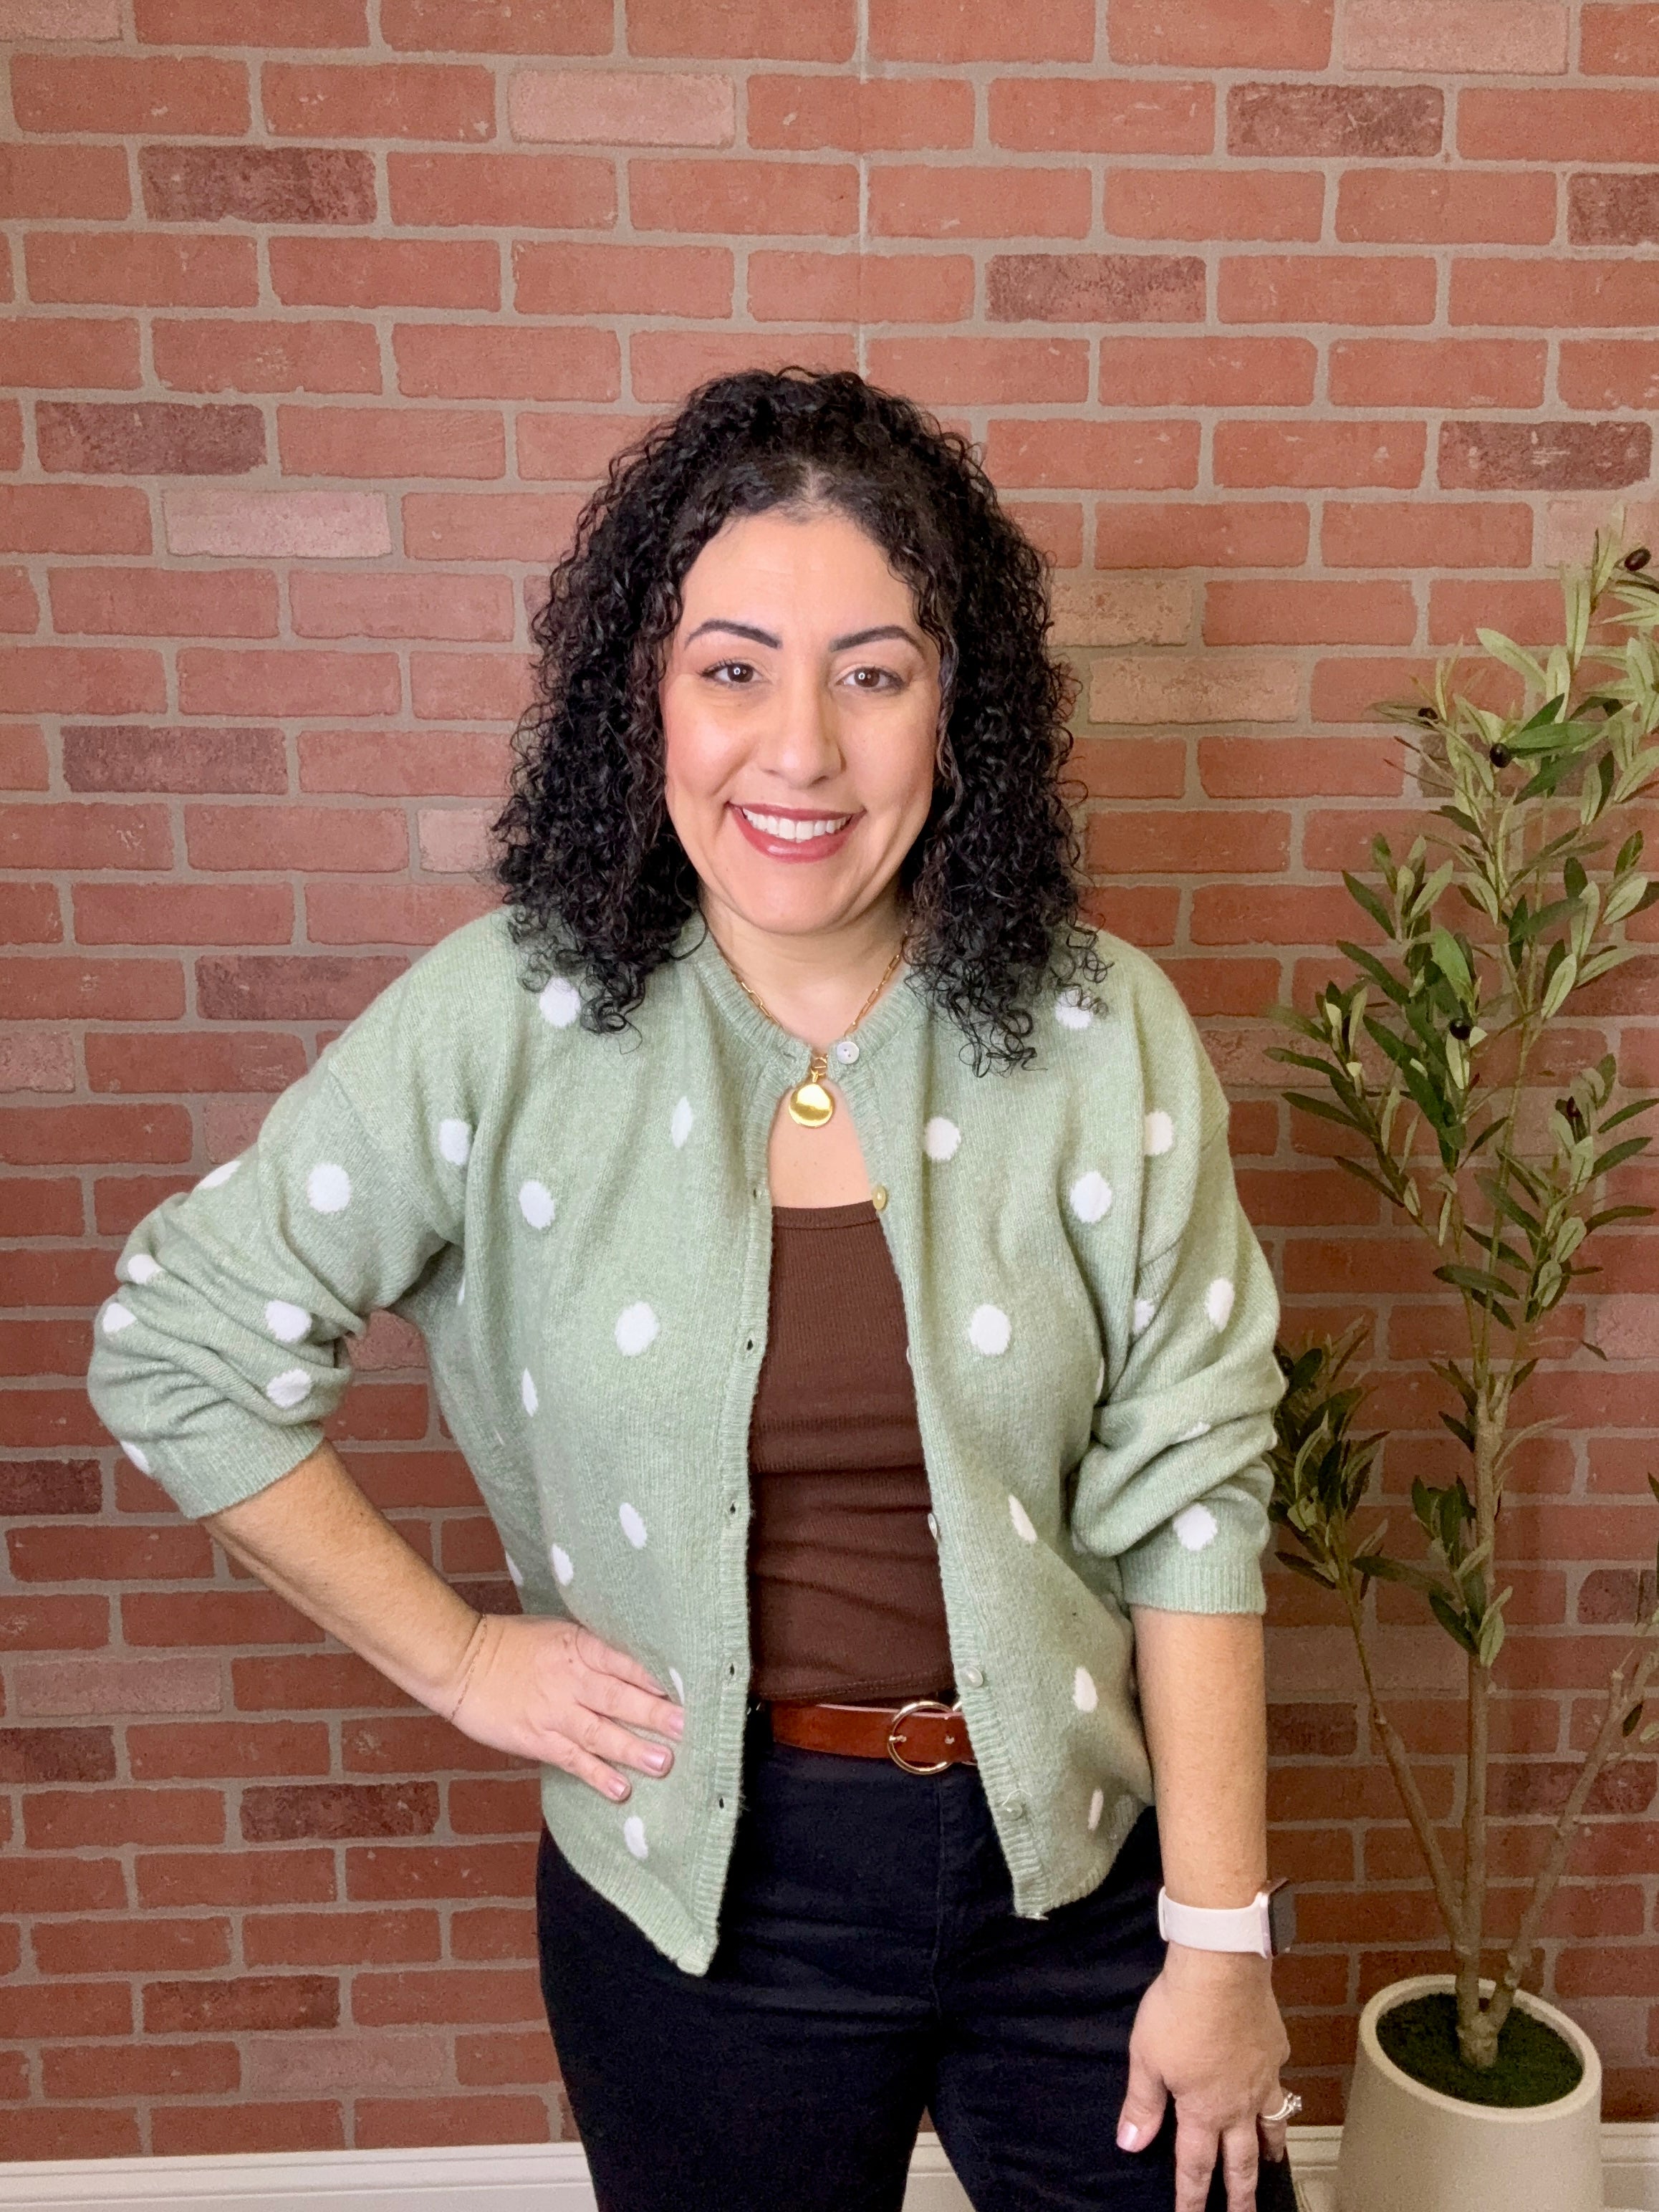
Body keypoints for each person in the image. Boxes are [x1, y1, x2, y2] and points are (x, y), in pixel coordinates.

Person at [87, 367, 1297, 2212]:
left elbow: (1194, 1496)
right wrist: (459, 1658)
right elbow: (181, 1341)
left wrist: (1219, 1942)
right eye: (733, 668)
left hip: (1083, 1864)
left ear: (958, 709)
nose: (798, 750)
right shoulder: (510, 1022)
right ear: (643, 698)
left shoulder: (1098, 1029)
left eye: (873, 674)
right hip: (700, 1898)